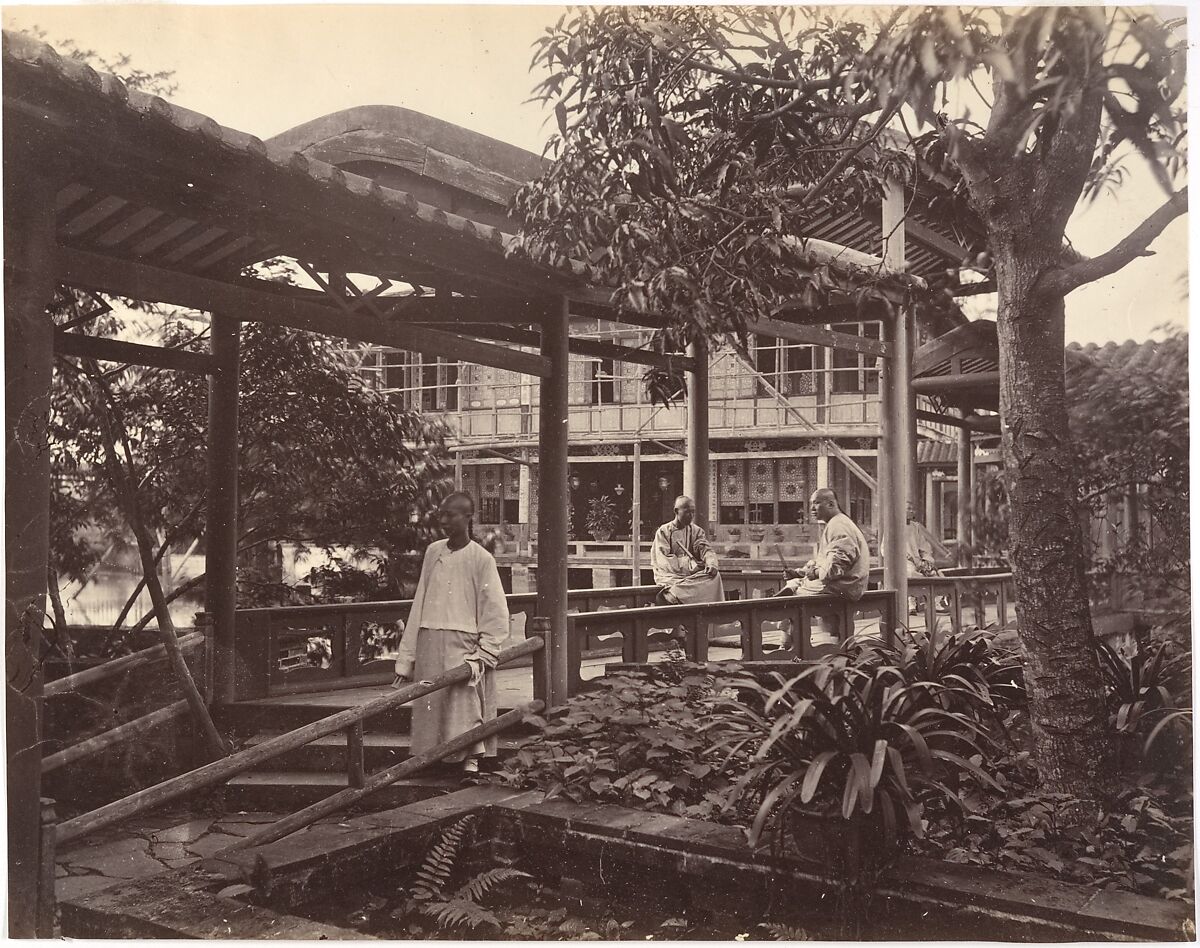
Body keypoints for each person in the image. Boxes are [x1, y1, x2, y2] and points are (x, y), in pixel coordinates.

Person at [392, 492, 509, 777]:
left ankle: (470, 761)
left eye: (451, 515)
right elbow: (420, 600)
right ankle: (430, 758)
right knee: (431, 702)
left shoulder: (481, 559)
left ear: (469, 518)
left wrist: (484, 650)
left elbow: (494, 609)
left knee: (464, 704)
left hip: (464, 642)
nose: (444, 521)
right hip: (430, 637)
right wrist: (406, 660)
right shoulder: (434, 552)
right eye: (441, 515)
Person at [775, 488, 871, 648]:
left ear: (831, 503)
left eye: (817, 503)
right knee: (794, 585)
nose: (812, 508)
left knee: (791, 598)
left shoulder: (838, 525)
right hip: (840, 584)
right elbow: (824, 564)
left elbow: (834, 568)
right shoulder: (835, 523)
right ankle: (827, 642)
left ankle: (789, 647)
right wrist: (799, 572)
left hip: (843, 586)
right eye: (811, 504)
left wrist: (814, 573)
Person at [651, 495, 724, 605]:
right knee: (679, 583)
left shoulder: (696, 531)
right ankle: (674, 594)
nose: (691, 516)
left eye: (693, 512)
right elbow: (664, 561)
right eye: (688, 512)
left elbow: (705, 549)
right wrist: (690, 565)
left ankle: (676, 594)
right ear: (676, 511)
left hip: (690, 577)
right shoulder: (663, 531)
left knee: (715, 576)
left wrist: (711, 563)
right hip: (670, 575)